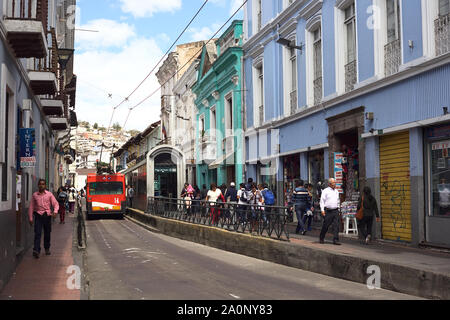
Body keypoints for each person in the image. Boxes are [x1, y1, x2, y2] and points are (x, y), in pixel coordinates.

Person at [28, 179, 59, 259]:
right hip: (38, 215)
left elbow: (55, 204)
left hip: (47, 216)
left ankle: (47, 248)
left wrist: (55, 212)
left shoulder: (49, 195)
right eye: (40, 184)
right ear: (38, 185)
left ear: (45, 186)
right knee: (37, 233)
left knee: (47, 233)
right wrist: (30, 218)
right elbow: (31, 207)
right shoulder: (35, 195)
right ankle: (36, 250)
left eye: (43, 184)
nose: (41, 185)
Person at [319, 178, 342, 245]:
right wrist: (322, 210)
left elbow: (338, 201)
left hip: (335, 210)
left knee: (336, 226)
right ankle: (321, 237)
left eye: (335, 183)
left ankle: (335, 239)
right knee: (326, 225)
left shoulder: (336, 191)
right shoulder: (325, 191)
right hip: (328, 211)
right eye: (333, 183)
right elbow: (322, 201)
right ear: (329, 184)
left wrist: (339, 209)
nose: (334, 184)